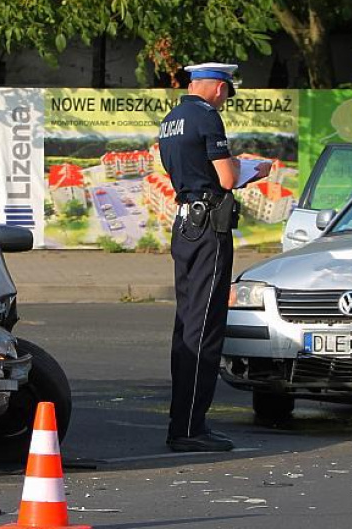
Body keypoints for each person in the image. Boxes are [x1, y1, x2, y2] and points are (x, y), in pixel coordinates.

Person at [156, 62, 269, 452]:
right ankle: (189, 428)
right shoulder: (206, 118)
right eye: (226, 92)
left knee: (187, 323)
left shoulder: (171, 119)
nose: (224, 100)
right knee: (205, 327)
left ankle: (183, 422)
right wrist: (254, 169)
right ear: (218, 88)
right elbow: (225, 178)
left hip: (185, 223)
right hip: (208, 229)